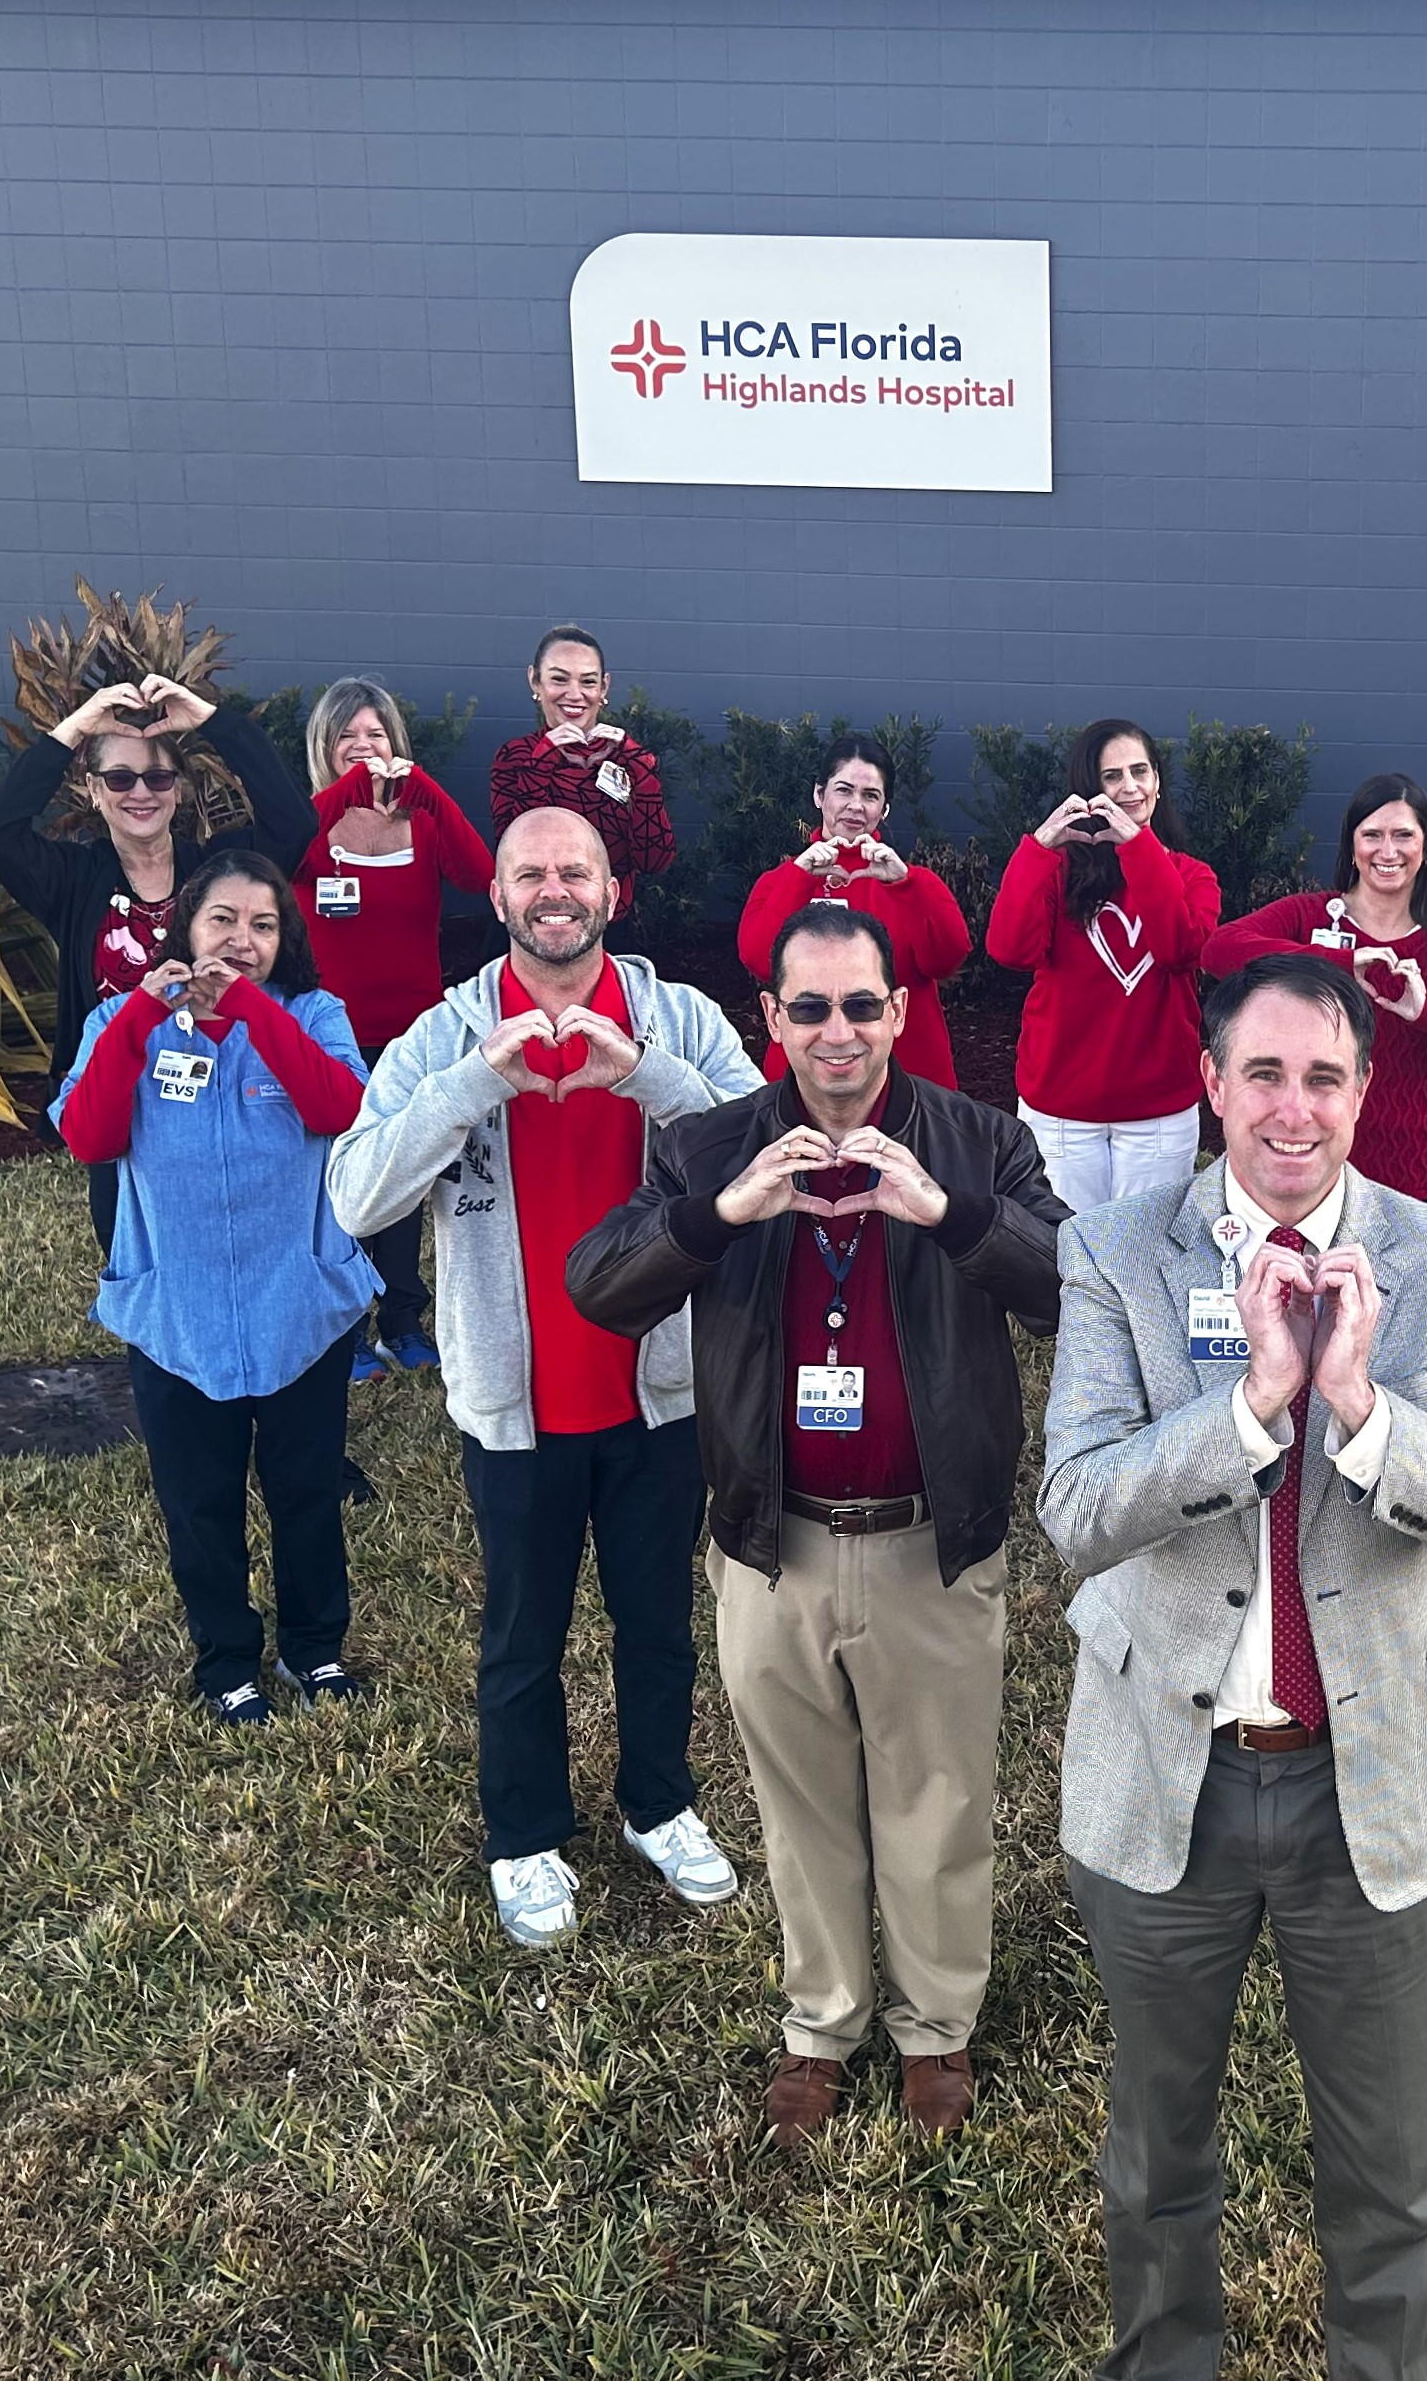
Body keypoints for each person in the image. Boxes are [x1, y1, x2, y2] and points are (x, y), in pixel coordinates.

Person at [1040, 952, 1427, 2381]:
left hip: (1375, 1780)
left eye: (1324, 1075)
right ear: (1209, 1083)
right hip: (1169, 1770)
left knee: (1395, 2179)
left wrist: (1363, 1406)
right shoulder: (1116, 1251)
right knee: (1155, 2156)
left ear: (1366, 1091)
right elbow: (1077, 1510)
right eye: (1261, 1071)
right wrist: (1257, 1403)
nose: (1291, 1108)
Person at [568, 901, 1066, 2144]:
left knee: (938, 1796)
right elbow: (598, 1289)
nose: (837, 1032)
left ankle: (936, 2028)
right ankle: (823, 2023)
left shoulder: (978, 1141)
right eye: (809, 1008)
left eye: (860, 1005)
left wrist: (947, 1214)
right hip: (771, 1543)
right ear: (769, 1018)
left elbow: (1074, 1290)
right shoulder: (706, 1149)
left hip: (927, 1541)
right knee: (799, 1802)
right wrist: (717, 1215)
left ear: (899, 1011)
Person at [328, 808, 761, 1948]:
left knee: (658, 1621)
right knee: (523, 1637)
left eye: (576, 870)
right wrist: (475, 1082)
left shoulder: (674, 1018)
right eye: (531, 872)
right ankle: (524, 1838)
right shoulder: (443, 1034)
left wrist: (646, 1077)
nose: (553, 889)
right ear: (502, 894)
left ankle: (658, 1807)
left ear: (613, 890)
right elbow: (357, 1196)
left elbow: (766, 1155)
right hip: (514, 1406)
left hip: (657, 1394)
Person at [52, 849, 376, 1722]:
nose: (242, 940)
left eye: (263, 925)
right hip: (177, 1309)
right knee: (198, 1499)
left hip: (299, 1301)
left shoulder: (314, 1013)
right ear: (186, 930)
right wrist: (135, 1023)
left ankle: (315, 1651)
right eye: (222, 921)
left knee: (305, 1489)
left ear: (285, 940)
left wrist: (248, 1013)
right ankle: (227, 1659)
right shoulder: (123, 1020)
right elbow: (89, 1136)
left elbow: (338, 1108)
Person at [0, 669, 318, 1256]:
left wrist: (211, 721)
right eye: (120, 777)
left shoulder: (217, 870)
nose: (141, 792)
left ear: (179, 790)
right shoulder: (72, 880)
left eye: (158, 776)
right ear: (92, 790)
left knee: (243, 1246)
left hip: (226, 1090)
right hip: (122, 1101)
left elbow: (294, 822)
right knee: (137, 1258)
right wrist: (77, 727)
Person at [1199, 773, 1427, 1203]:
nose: (1387, 851)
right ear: (1352, 843)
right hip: (1313, 1170)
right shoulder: (1312, 916)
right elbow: (1219, 950)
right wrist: (1338, 963)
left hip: (1415, 1177)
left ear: (1425, 845)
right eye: (1372, 835)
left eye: (1403, 835)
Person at [297, 677, 495, 1383]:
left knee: (406, 1177)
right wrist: (348, 793)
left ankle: (403, 1317)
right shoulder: (314, 821)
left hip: (413, 1032)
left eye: (376, 736)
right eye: (347, 737)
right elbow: (283, 853)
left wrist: (428, 793)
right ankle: (345, 1326)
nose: (363, 748)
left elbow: (481, 877)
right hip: (334, 1039)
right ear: (325, 747)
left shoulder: (424, 820)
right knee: (341, 1182)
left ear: (398, 746)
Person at [986, 717, 1224, 1212]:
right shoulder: (1058, 872)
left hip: (1157, 1111)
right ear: (1090, 789)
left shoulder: (1192, 875)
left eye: (1140, 771)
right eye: (1112, 776)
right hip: (1061, 1109)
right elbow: (1010, 950)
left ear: (1158, 782)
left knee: (1147, 1259)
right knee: (1066, 1255)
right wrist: (1039, 848)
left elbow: (1180, 946)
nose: (1129, 787)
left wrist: (1137, 849)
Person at [738, 736, 974, 1091]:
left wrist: (906, 887)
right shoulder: (779, 883)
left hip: (907, 1084)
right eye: (843, 791)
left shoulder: (915, 882)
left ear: (885, 809)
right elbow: (759, 960)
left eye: (870, 795)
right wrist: (798, 879)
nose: (855, 806)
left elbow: (947, 960)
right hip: (805, 1085)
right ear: (819, 795)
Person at [487, 624, 674, 882]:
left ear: (603, 687)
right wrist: (540, 762)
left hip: (611, 913)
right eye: (559, 679)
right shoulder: (516, 756)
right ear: (535, 680)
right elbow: (514, 852)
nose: (575, 694)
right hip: (539, 911)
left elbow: (655, 860)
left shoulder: (627, 759)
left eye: (588, 681)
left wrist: (642, 767)